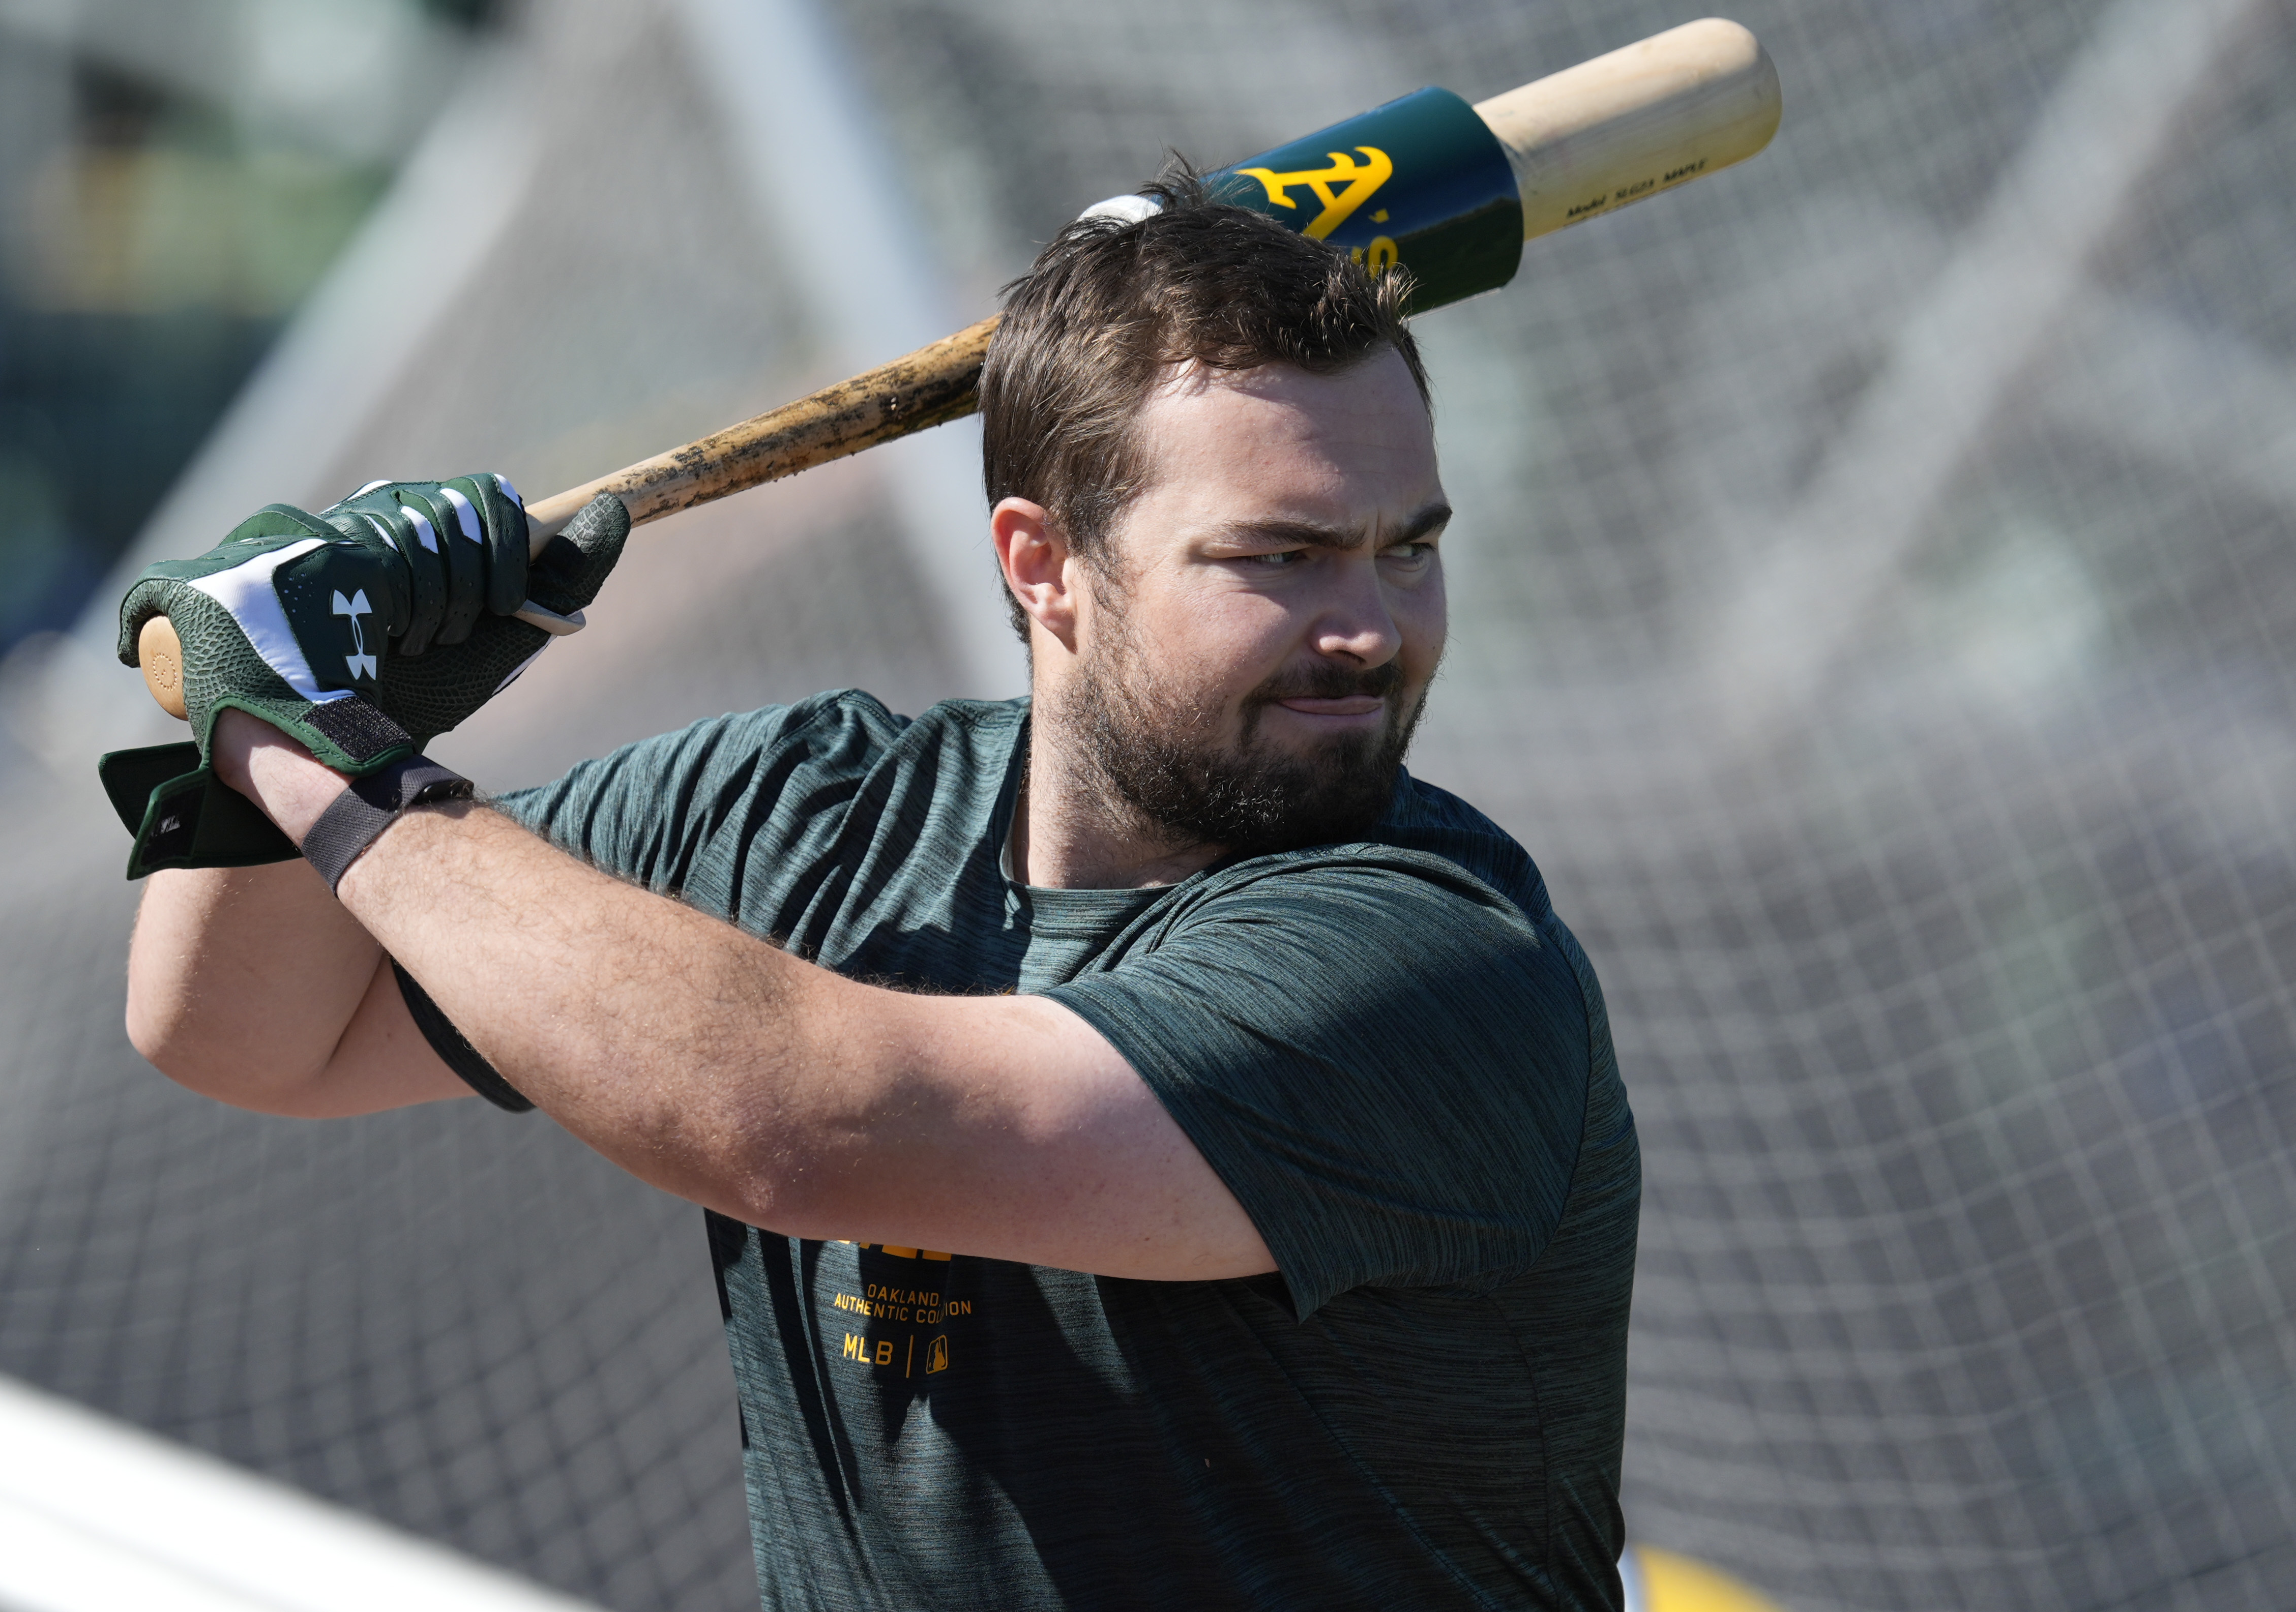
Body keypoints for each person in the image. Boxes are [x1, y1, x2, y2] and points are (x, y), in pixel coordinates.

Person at [122, 175, 1639, 1609]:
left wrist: (313, 736)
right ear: (1045, 565)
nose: (1370, 627)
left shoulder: (1437, 959)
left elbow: (798, 1120)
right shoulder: (796, 812)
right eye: (1284, 556)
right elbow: (252, 1035)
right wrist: (300, 743)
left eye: (1407, 550)